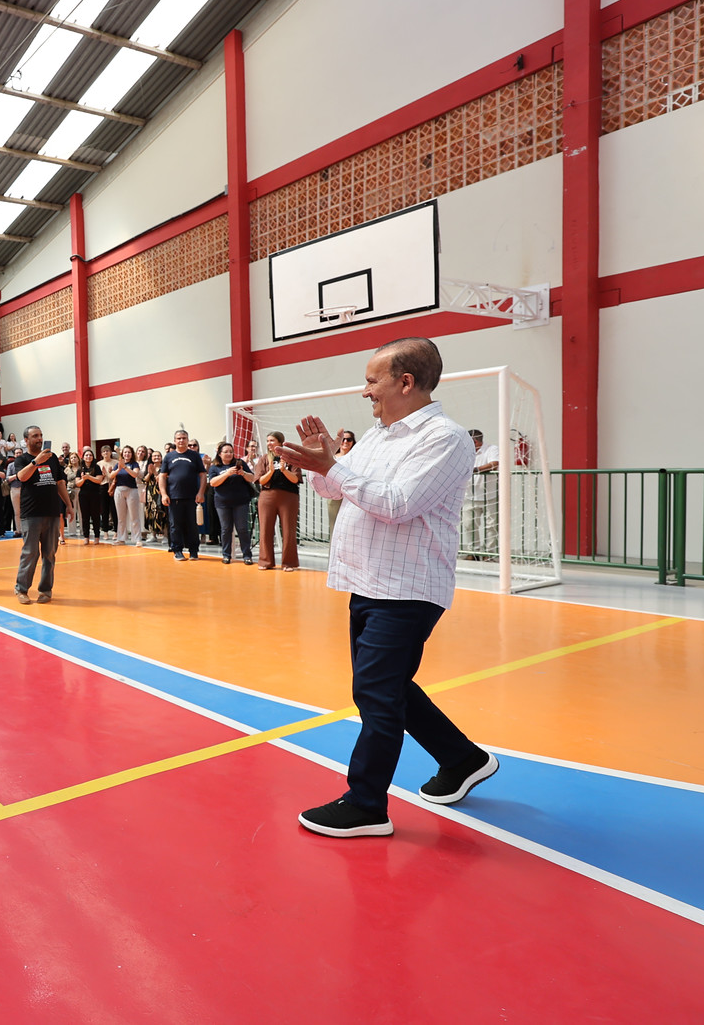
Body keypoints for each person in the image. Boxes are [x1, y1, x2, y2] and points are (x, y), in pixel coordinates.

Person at [278, 337, 500, 838]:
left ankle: (366, 804)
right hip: (368, 581)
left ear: (406, 382)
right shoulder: (378, 437)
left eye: (372, 381)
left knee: (376, 694)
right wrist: (323, 463)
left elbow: (397, 504)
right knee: (388, 686)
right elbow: (338, 489)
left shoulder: (445, 439)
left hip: (406, 587)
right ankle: (462, 758)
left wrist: (334, 467)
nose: (365, 392)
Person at [12, 425, 70, 605]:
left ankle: (45, 590)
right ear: (26, 440)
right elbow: (22, 477)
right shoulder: (21, 459)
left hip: (52, 513)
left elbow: (60, 482)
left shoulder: (52, 459)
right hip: (31, 514)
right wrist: (36, 461)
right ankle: (21, 589)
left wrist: (69, 504)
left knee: (49, 554)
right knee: (30, 553)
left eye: (41, 435)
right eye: (35, 436)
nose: (39, 438)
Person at [255, 432, 303, 571]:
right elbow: (261, 481)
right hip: (267, 497)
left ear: (280, 442)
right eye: (268, 440)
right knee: (265, 530)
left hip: (288, 498)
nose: (269, 443)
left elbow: (295, 479)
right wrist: (270, 471)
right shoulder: (264, 459)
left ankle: (289, 563)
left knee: (289, 531)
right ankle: (266, 561)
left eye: (272, 440)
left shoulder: (291, 458)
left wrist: (283, 470)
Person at [158, 430, 206, 561]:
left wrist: (201, 492)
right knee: (175, 525)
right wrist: (164, 494)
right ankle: (177, 550)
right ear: (174, 441)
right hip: (174, 497)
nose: (181, 440)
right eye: (178, 438)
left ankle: (193, 551)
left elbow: (202, 475)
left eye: (184, 438)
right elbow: (162, 476)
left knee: (192, 525)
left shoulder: (194, 456)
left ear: (187, 440)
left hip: (192, 497)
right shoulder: (169, 457)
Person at [208, 442, 256, 564]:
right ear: (220, 454)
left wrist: (243, 473)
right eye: (226, 452)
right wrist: (227, 473)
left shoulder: (240, 463)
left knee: (242, 528)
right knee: (226, 529)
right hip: (222, 503)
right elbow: (213, 482)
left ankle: (247, 555)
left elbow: (252, 478)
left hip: (241, 502)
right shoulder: (214, 467)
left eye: (231, 451)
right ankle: (226, 555)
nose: (229, 454)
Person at [463, 429, 501, 558]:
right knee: (469, 525)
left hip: (490, 495)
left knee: (491, 526)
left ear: (474, 441)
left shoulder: (491, 449)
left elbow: (494, 464)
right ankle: (473, 553)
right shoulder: (466, 452)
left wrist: (476, 469)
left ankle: (489, 554)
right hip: (470, 495)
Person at [110, 445, 143, 546]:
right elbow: (111, 476)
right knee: (121, 516)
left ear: (132, 454)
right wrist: (119, 468)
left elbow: (135, 474)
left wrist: (125, 467)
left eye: (129, 452)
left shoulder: (134, 464)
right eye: (125, 452)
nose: (127, 454)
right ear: (122, 454)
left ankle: (137, 538)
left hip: (132, 490)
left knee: (134, 516)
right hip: (119, 490)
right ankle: (121, 538)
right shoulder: (118, 464)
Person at [326, 431, 356, 535]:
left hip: (352, 498)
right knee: (334, 528)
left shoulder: (356, 457)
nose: (345, 442)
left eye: (349, 439)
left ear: (353, 442)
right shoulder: (332, 458)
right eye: (343, 439)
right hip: (335, 497)